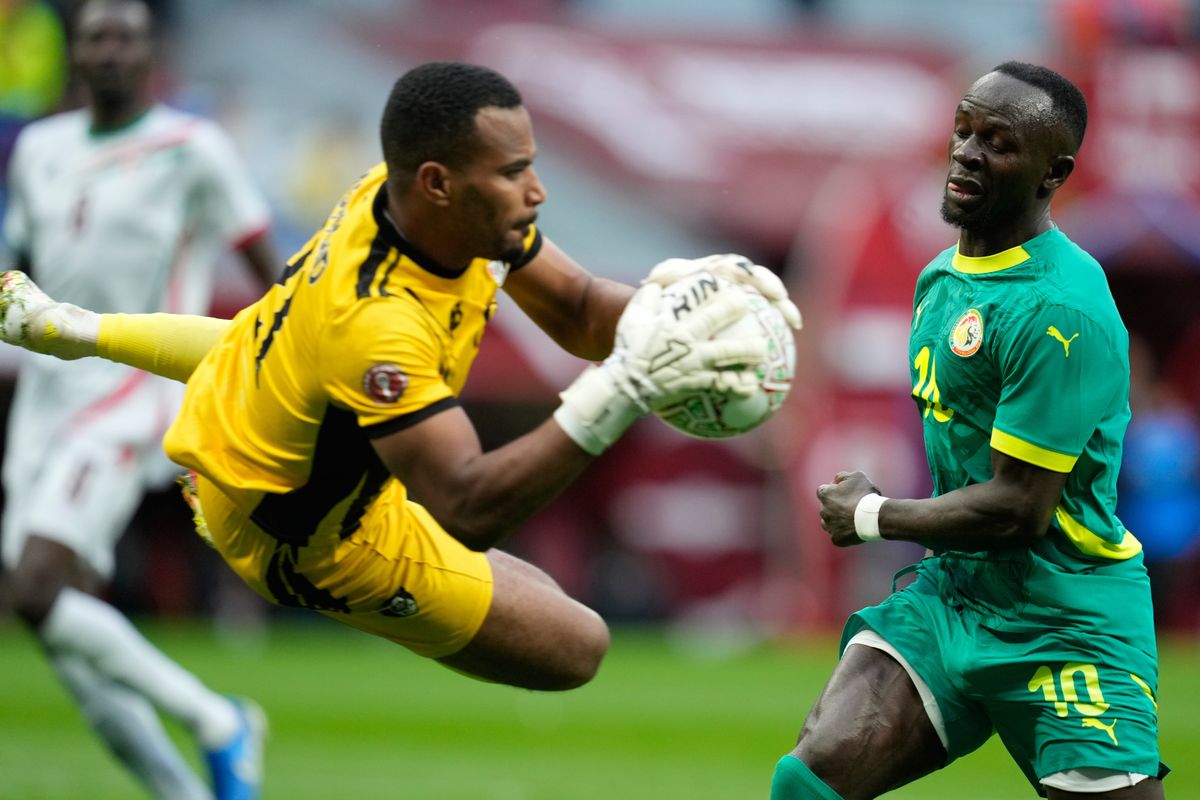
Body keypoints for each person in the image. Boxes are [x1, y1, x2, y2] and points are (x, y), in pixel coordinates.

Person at [0, 58, 799, 702]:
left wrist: (677, 307)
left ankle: (73, 330)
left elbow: (582, 309)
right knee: (575, 645)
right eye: (513, 172)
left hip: (263, 403)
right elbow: (465, 506)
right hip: (303, 536)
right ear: (438, 183)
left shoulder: (422, 207)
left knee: (269, 354)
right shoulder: (379, 325)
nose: (537, 191)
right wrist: (619, 389)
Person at [773, 62, 1167, 799]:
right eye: (964, 130)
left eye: (999, 142)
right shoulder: (941, 278)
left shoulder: (1061, 311)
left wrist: (871, 515)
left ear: (1054, 174)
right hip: (954, 592)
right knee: (809, 781)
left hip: (1062, 616)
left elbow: (1019, 508)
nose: (967, 153)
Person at [1, 1, 279, 799]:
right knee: (58, 627)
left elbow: (268, 268)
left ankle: (219, 721)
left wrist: (288, 373)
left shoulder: (193, 148)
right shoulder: (39, 151)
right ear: (75, 53)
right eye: (96, 36)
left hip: (129, 390)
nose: (111, 50)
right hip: (43, 400)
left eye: (126, 37)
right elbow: (18, 274)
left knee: (37, 590)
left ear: (152, 54)